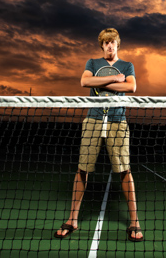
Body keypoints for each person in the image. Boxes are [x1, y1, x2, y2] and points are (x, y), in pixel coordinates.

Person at [54, 28, 144, 242]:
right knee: (82, 169)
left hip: (117, 122)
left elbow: (131, 86)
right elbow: (85, 82)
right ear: (102, 45)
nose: (110, 45)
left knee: (124, 170)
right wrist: (114, 79)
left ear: (118, 44)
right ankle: (72, 220)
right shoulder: (92, 63)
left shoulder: (127, 65)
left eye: (113, 42)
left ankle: (134, 222)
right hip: (93, 120)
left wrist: (102, 81)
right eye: (106, 42)